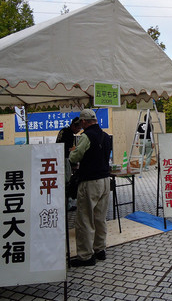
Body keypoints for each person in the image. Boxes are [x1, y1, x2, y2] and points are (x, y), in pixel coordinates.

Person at [68, 109, 112, 267]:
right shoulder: (106, 136)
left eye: (81, 123)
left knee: (85, 219)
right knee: (100, 218)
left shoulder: (86, 136)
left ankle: (86, 256)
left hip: (90, 182)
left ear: (84, 122)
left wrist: (71, 153)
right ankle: (100, 250)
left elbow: (75, 157)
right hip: (106, 180)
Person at [56, 117, 82, 210]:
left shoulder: (63, 130)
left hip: (58, 158)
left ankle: (63, 203)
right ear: (74, 126)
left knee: (62, 181)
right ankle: (67, 205)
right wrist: (74, 162)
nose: (79, 131)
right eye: (78, 128)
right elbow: (70, 151)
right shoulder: (69, 134)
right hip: (64, 159)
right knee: (67, 181)